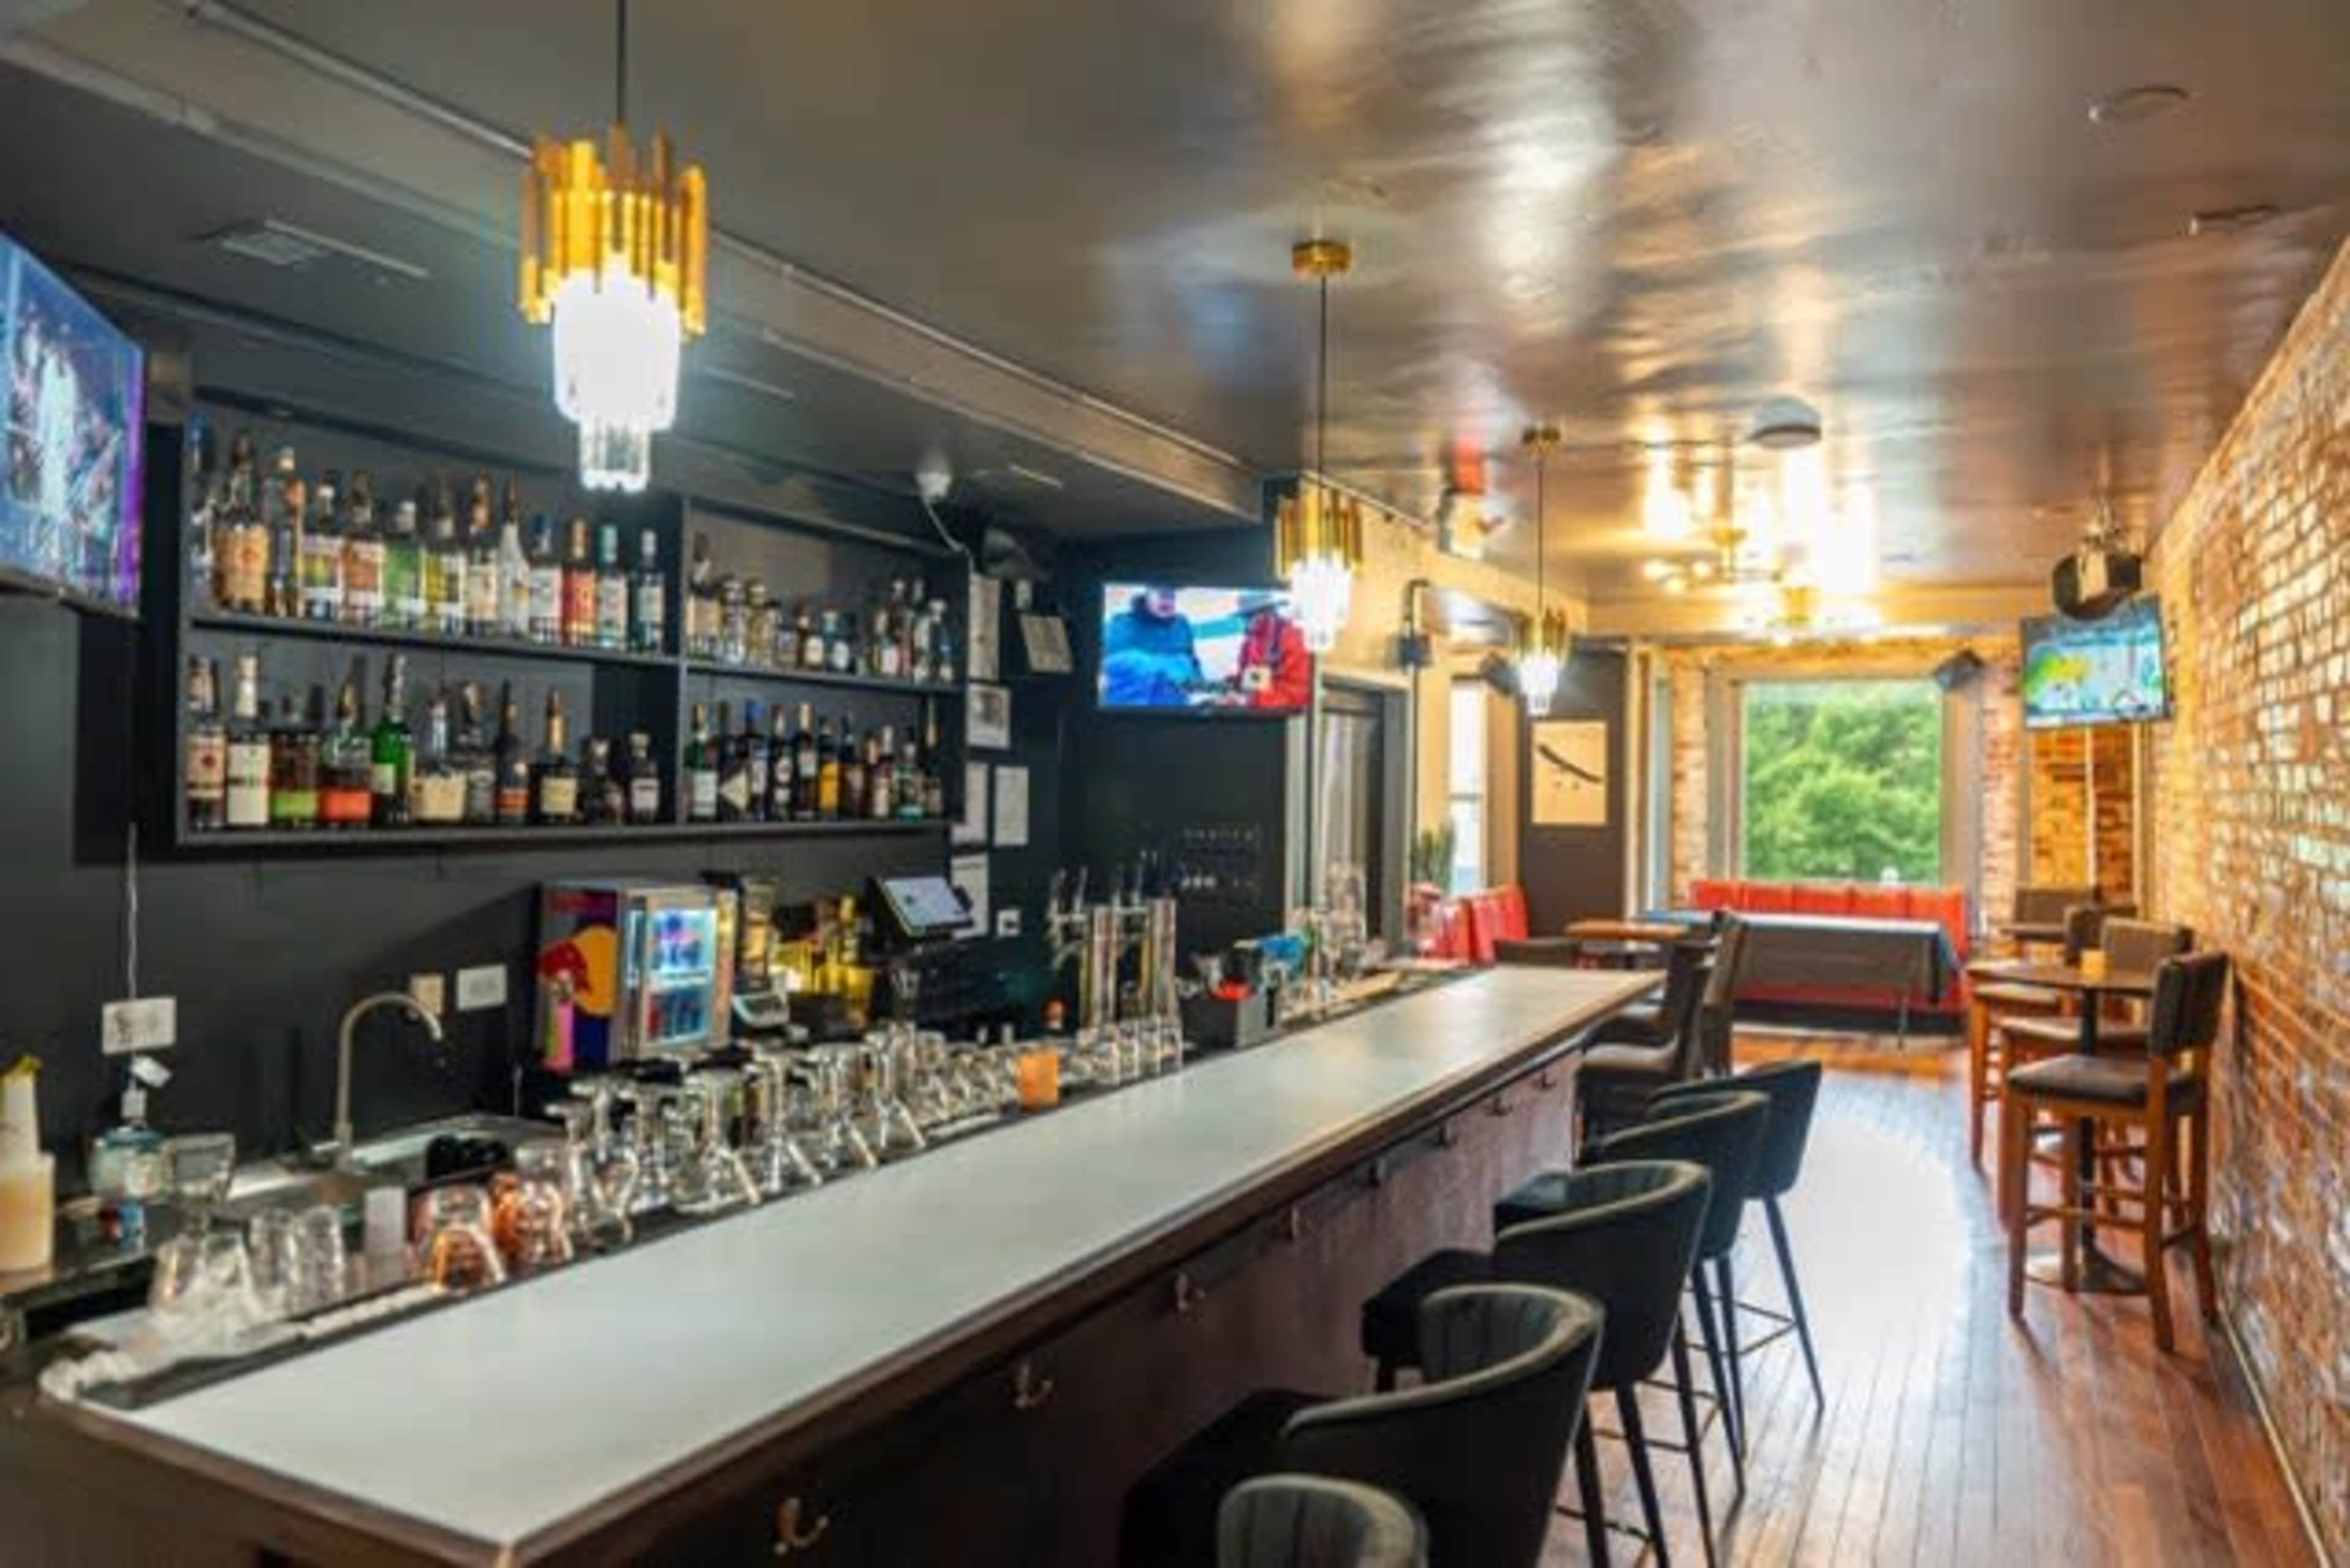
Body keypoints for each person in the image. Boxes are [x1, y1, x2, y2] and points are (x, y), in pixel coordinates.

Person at [1101, 586, 1201, 707]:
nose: (1168, 601)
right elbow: (1111, 668)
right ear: (1147, 594)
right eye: (1163, 595)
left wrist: (1203, 690)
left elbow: (1193, 667)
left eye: (1172, 596)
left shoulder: (1181, 625)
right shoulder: (1121, 624)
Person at [1233, 592, 1311, 709]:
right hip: (1259, 708)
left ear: (1269, 612)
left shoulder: (1293, 637)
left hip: (1286, 713)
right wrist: (1233, 684)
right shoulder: (1250, 642)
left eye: (1250, 617)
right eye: (1245, 618)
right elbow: (1251, 676)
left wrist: (1248, 699)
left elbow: (1295, 691)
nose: (1247, 624)